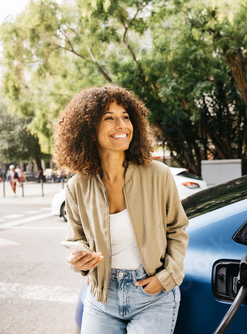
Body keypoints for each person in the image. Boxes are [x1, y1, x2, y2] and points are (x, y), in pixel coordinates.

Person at [54, 85, 189, 334]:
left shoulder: (158, 174)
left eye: (125, 116)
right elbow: (76, 240)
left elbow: (178, 230)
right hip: (103, 296)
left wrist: (166, 276)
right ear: (89, 131)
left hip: (152, 296)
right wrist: (79, 260)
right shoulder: (76, 186)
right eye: (109, 118)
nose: (122, 124)